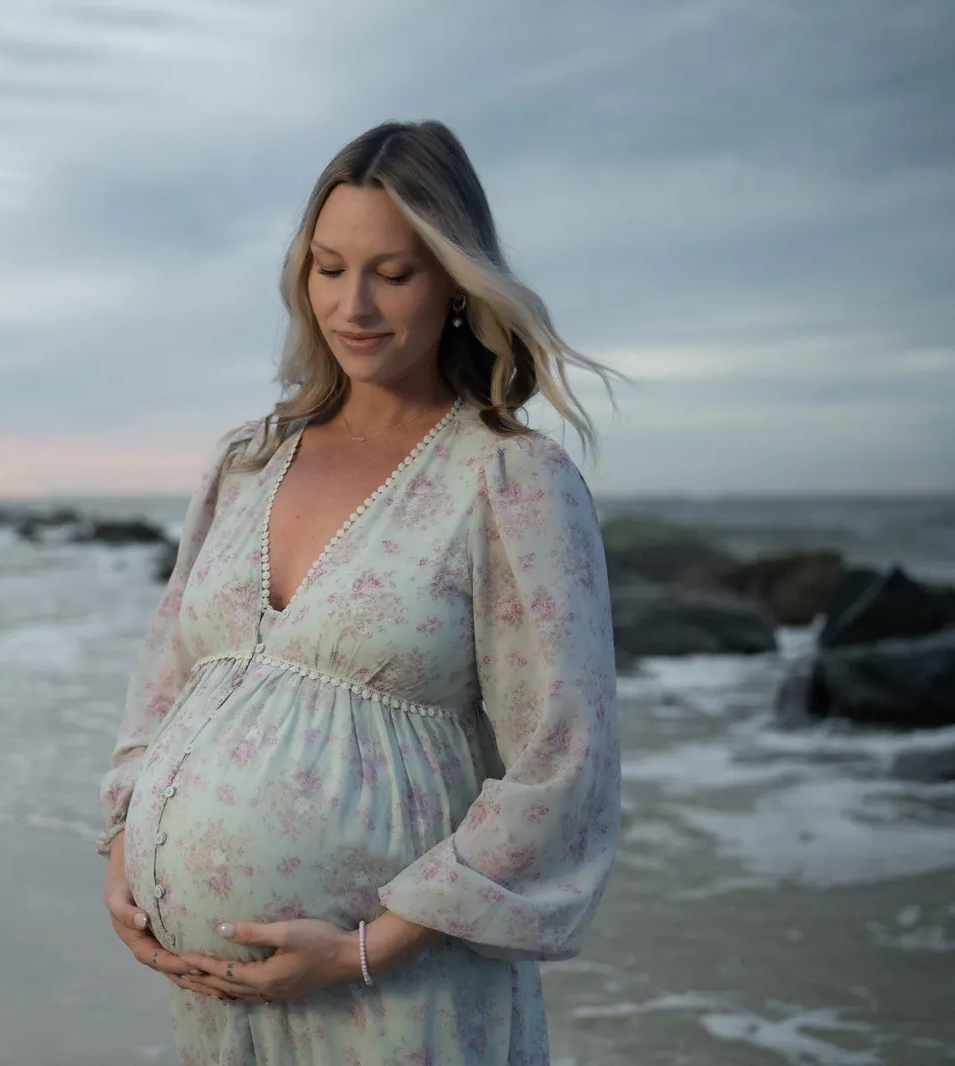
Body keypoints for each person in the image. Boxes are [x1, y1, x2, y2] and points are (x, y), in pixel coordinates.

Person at [96, 119, 626, 1064]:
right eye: (329, 267)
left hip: (396, 996)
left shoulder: (509, 481)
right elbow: (166, 678)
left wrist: (360, 952)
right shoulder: (244, 462)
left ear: (457, 284)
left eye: (395, 271)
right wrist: (124, 854)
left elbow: (562, 764)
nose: (355, 305)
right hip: (217, 1001)